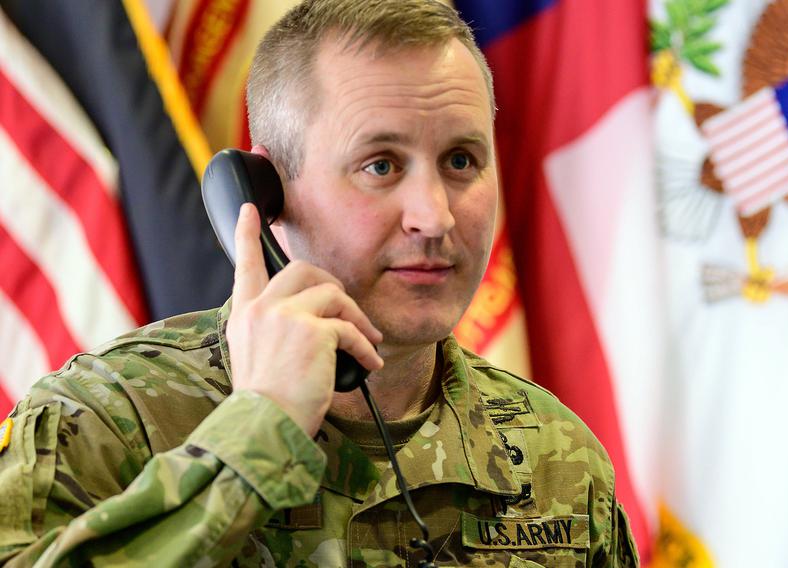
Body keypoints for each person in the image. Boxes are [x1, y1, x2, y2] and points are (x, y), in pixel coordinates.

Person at [0, 1, 639, 566]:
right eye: (380, 165)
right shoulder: (109, 419)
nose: (436, 216)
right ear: (266, 194)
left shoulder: (556, 452)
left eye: (461, 161)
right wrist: (259, 429)